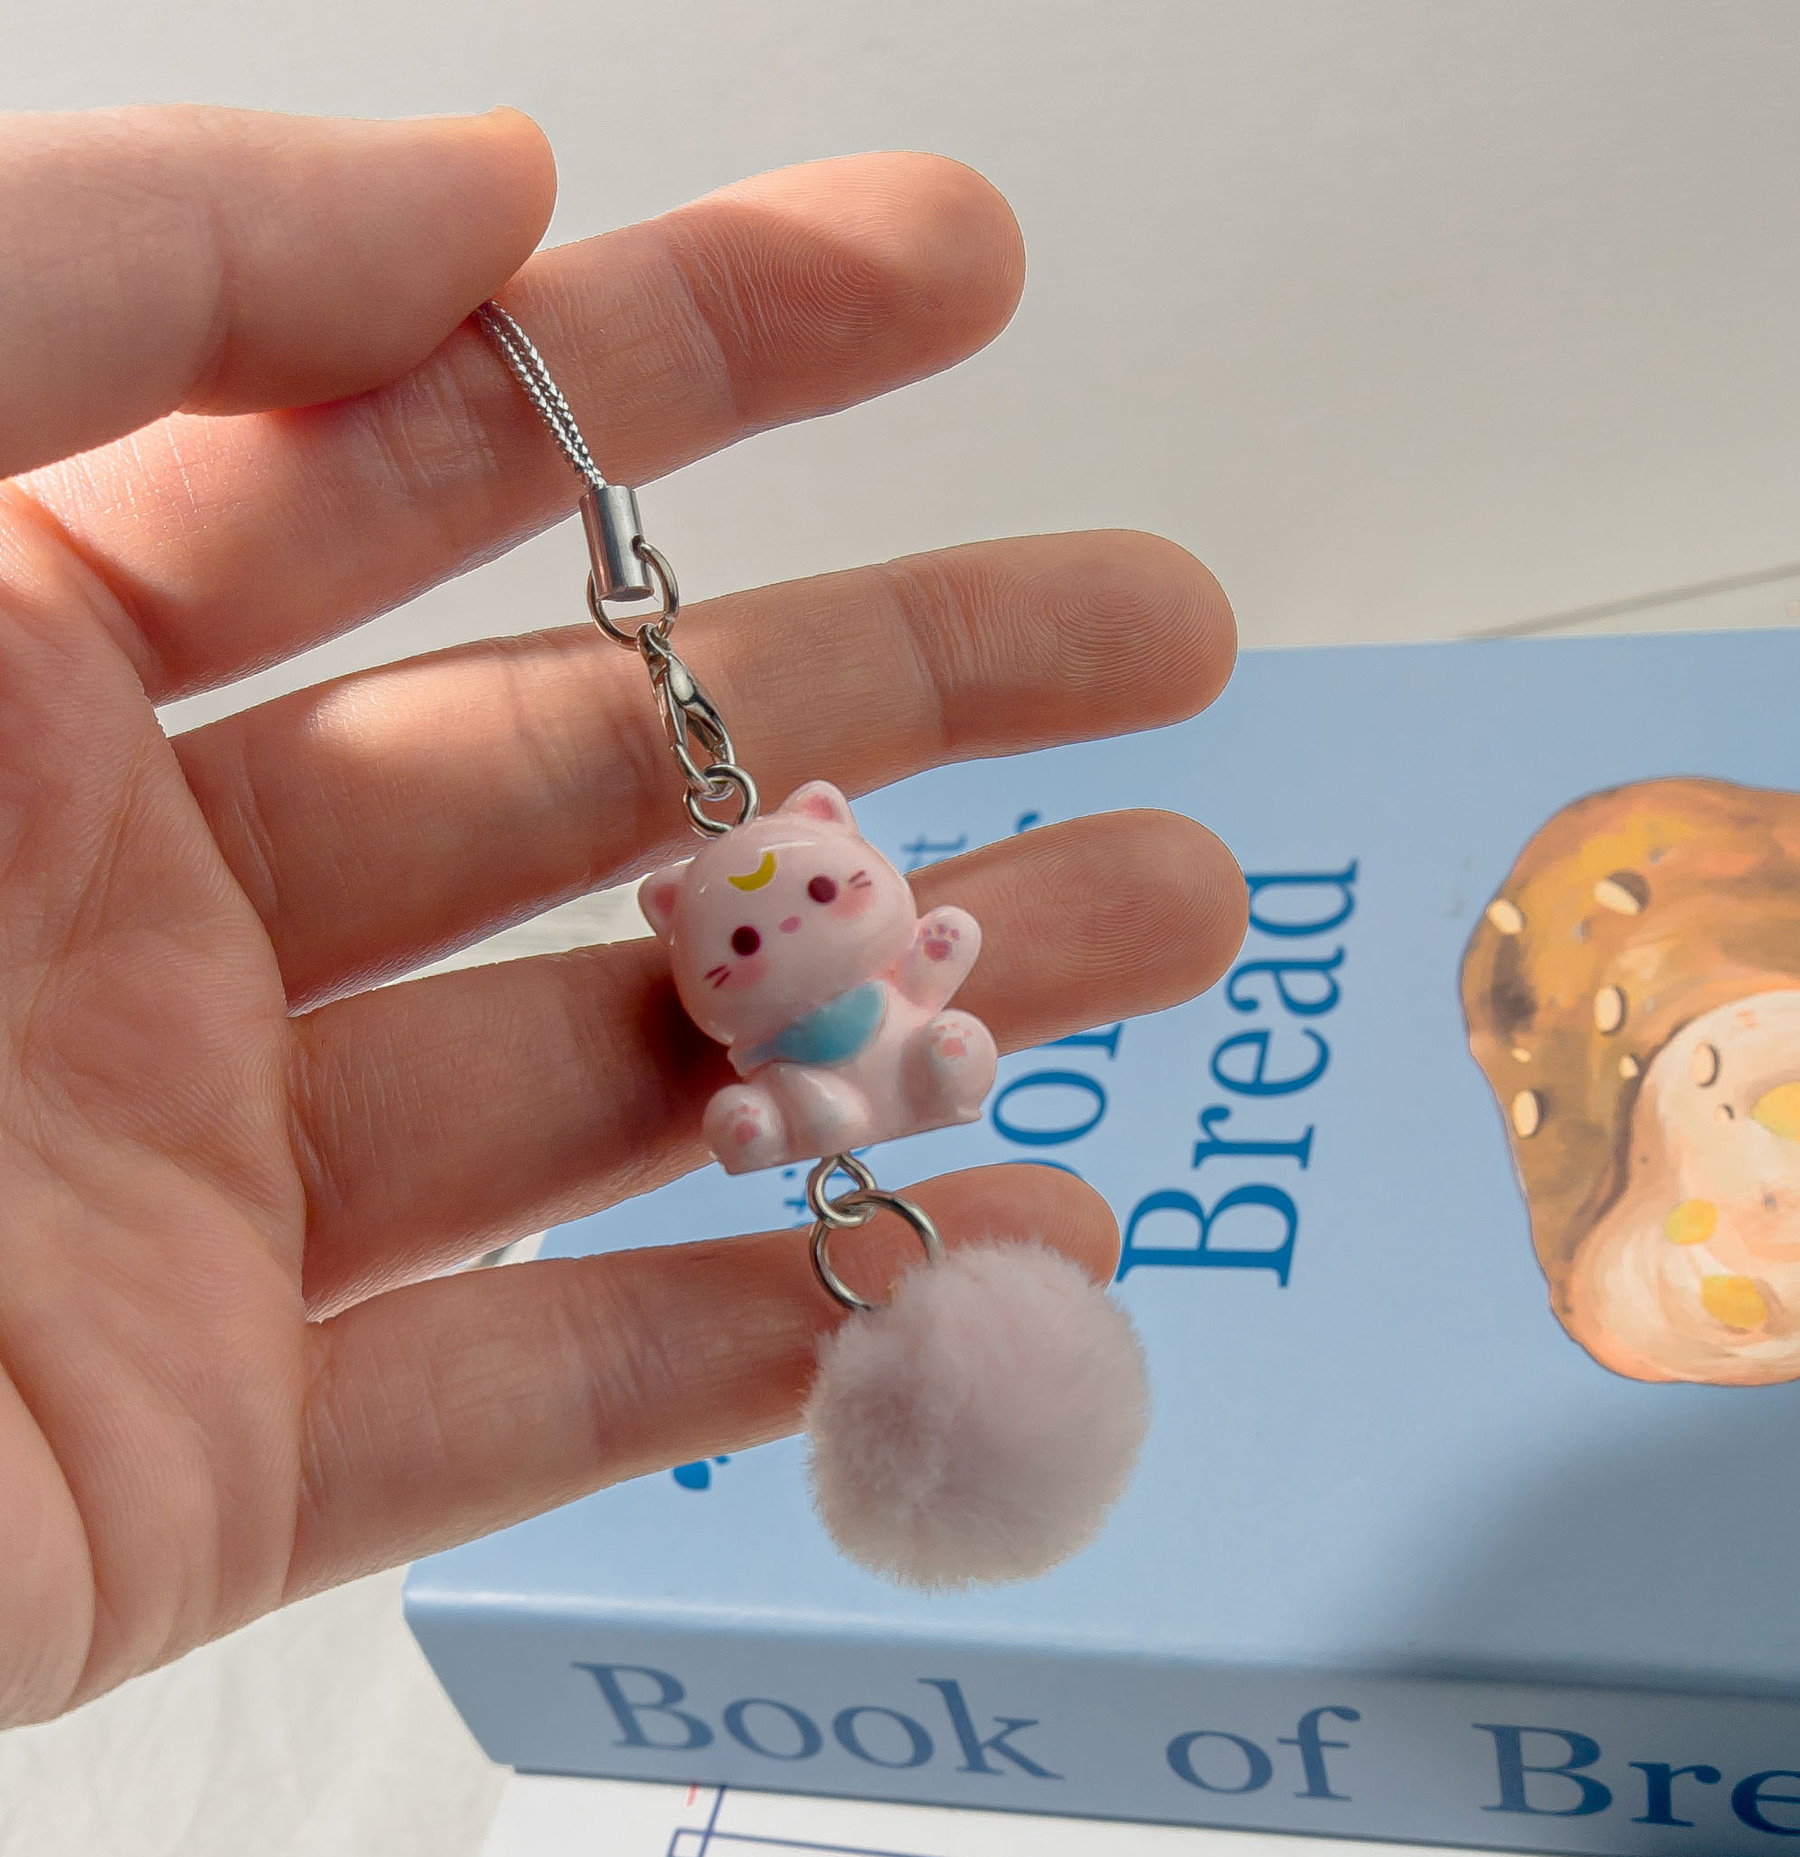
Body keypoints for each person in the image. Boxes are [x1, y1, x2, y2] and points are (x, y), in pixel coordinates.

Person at [0, 104, 1243, 1727]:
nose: (769, 935)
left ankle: (926, 1079)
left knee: (921, 1055)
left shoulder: (814, 908)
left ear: (832, 834)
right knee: (849, 1094)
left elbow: (929, 957)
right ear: (675, 930)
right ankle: (907, 1086)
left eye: (810, 893)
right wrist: (785, 1100)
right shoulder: (736, 977)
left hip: (876, 1072)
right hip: (828, 1101)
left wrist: (923, 983)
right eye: (734, 944)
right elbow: (795, 1049)